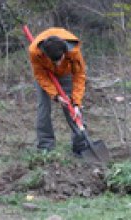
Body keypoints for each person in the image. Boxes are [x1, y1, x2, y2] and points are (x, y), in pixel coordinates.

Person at [28, 27, 88, 155]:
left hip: (66, 74)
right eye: (53, 61)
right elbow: (40, 75)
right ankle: (45, 146)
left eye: (59, 60)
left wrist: (76, 103)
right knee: (43, 108)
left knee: (73, 109)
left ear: (65, 52)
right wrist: (55, 96)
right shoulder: (35, 52)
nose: (57, 64)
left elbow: (79, 76)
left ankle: (81, 145)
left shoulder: (74, 51)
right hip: (45, 75)